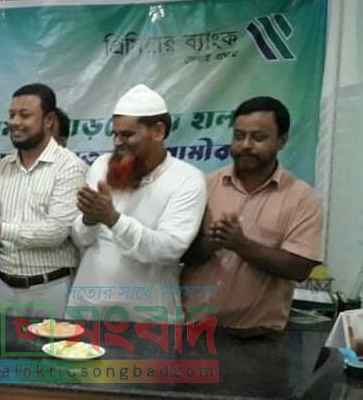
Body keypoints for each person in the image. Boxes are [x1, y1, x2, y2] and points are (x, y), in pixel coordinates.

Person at [181, 96, 323, 335]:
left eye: (258, 138)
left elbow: (299, 268)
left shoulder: (303, 199)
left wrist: (241, 244)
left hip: (257, 336)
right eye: (238, 136)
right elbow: (180, 254)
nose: (245, 145)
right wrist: (209, 243)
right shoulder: (204, 186)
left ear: (281, 141)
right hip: (191, 328)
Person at [66, 84, 206, 322]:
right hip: (88, 309)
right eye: (114, 134)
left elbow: (168, 249)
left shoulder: (187, 179)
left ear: (158, 131)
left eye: (127, 135)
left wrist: (113, 219)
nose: (117, 142)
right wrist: (89, 219)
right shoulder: (102, 166)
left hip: (148, 318)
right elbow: (80, 239)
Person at [0, 83, 87, 319]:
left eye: (24, 115)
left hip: (52, 288)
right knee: (2, 345)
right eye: (12, 115)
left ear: (49, 120)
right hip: (3, 287)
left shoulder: (70, 167)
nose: (15, 122)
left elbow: (56, 232)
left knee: (54, 344)